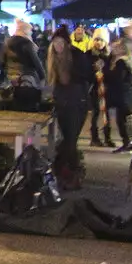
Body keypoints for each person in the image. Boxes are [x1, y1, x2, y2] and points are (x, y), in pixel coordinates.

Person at [46, 27, 93, 189]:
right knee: (68, 139)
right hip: (62, 103)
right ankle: (72, 172)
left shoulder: (76, 56)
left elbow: (87, 75)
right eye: (55, 42)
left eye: (61, 42)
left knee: (70, 139)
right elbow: (55, 83)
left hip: (77, 102)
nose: (58, 45)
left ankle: (60, 170)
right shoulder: (53, 58)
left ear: (67, 43)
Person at [105, 38, 132, 151]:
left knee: (122, 120)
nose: (113, 49)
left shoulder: (122, 62)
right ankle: (127, 142)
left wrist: (107, 73)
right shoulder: (113, 60)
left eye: (116, 47)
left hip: (124, 96)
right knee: (121, 120)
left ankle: (129, 141)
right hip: (121, 95)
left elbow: (117, 78)